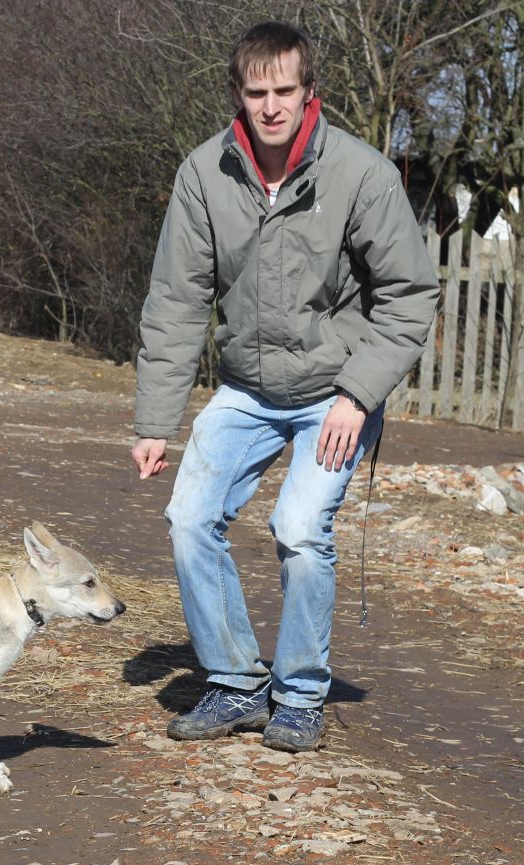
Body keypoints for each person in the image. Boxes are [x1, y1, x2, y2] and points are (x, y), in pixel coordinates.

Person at [131, 21, 439, 752]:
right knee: (188, 518)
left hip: (336, 389)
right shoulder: (205, 173)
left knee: (300, 527)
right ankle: (235, 683)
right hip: (246, 389)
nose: (271, 106)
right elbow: (176, 299)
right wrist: (154, 420)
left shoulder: (361, 174)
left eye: (285, 91)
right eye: (256, 92)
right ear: (239, 95)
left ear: (310, 95)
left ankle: (300, 694)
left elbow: (410, 294)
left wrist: (359, 393)